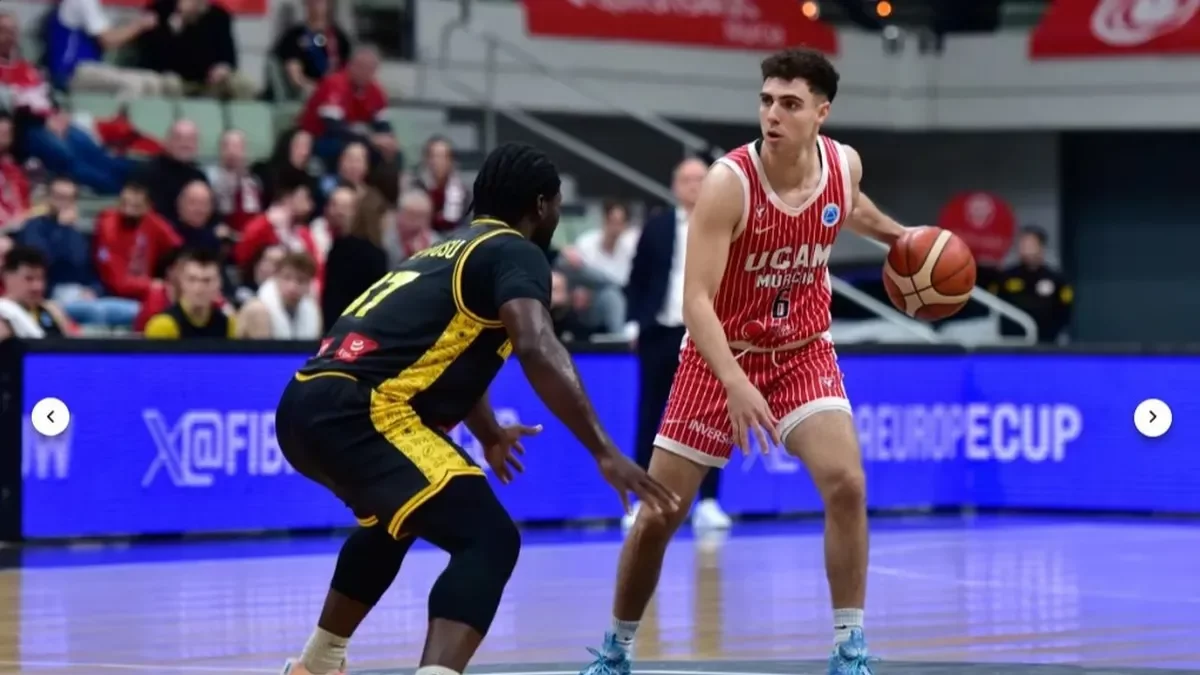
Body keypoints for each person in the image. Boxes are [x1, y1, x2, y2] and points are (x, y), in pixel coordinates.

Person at [275, 142, 679, 675]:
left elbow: (449, 351)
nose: (556, 214)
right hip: (362, 408)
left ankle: (316, 664)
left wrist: (487, 431)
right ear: (540, 205)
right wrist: (603, 450)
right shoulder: (516, 251)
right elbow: (536, 345)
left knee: (392, 523)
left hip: (304, 403)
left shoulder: (443, 250)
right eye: (555, 204)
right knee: (488, 539)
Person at [578, 49, 909, 675]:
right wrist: (732, 380)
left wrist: (903, 238)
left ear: (820, 112)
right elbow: (694, 299)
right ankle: (617, 649)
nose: (772, 114)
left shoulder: (844, 164)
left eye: (789, 103)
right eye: (766, 100)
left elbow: (850, 205)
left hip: (803, 349)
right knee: (658, 516)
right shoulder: (729, 183)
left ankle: (849, 647)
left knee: (848, 483)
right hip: (719, 355)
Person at [623, 159, 729, 532]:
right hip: (660, 332)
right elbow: (636, 279)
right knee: (650, 416)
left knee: (711, 421)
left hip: (707, 335)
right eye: (686, 180)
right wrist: (635, 322)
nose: (694, 186)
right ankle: (641, 501)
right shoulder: (657, 226)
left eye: (701, 179)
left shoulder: (724, 224)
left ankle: (710, 503)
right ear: (674, 186)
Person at [143, 248, 235, 339]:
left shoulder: (228, 325)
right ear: (182, 282)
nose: (198, 288)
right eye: (192, 280)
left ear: (218, 284)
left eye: (207, 281)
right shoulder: (163, 326)